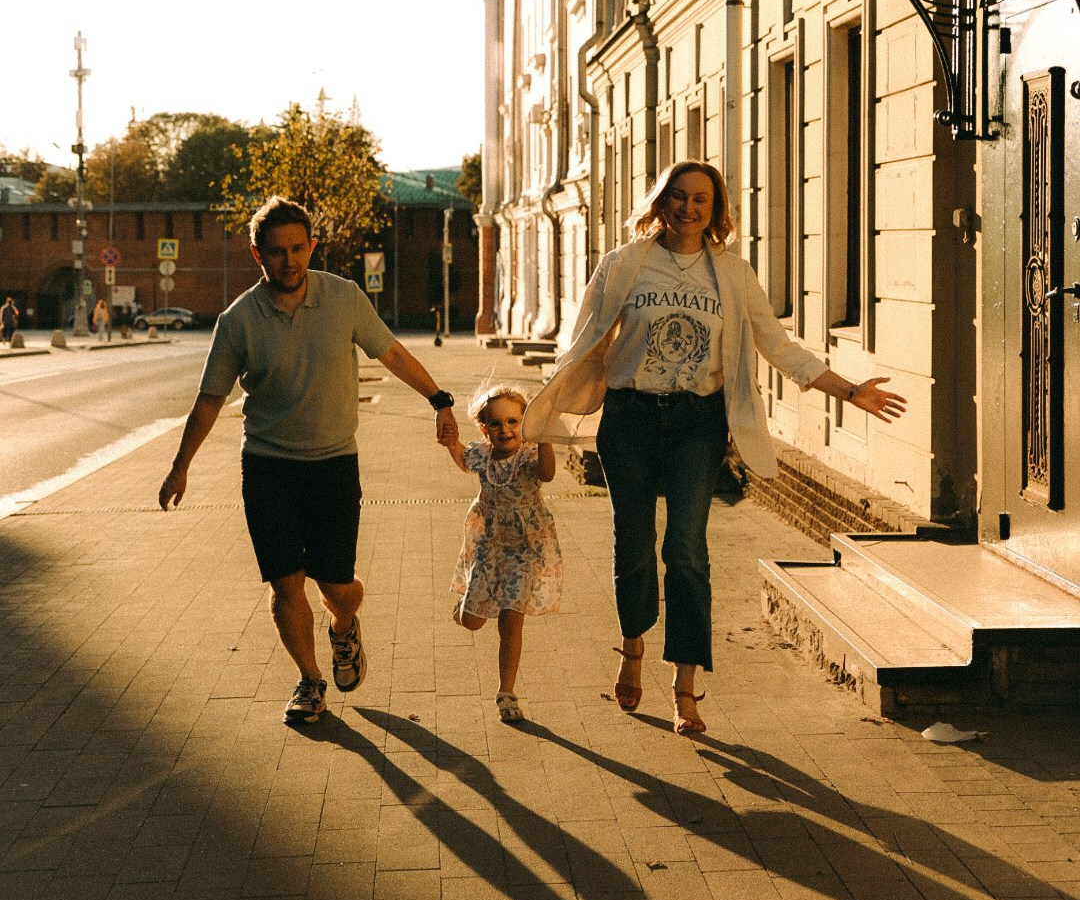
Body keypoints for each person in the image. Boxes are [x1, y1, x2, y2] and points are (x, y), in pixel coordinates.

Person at [522, 160, 907, 737]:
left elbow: (778, 345)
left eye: (701, 199)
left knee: (686, 549)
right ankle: (632, 649)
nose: (689, 208)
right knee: (632, 545)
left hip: (696, 425)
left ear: (716, 208)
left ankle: (683, 685)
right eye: (678, 197)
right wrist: (543, 412)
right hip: (629, 421)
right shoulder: (624, 264)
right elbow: (581, 343)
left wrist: (849, 390)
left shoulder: (731, 274)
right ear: (661, 201)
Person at [158, 195, 459, 727]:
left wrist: (439, 400)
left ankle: (344, 628)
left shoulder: (343, 298)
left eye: (298, 248)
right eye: (277, 252)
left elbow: (390, 352)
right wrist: (181, 465)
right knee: (285, 583)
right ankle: (310, 680)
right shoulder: (237, 322)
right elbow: (209, 399)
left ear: (311, 247)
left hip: (334, 466)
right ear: (258, 255)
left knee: (337, 588)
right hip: (268, 468)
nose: (289, 260)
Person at [441, 385, 560, 723]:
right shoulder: (483, 454)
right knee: (472, 621)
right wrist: (450, 441)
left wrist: (546, 435)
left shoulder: (531, 455)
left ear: (525, 424)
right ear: (484, 429)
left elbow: (548, 474)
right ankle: (464, 608)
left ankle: (506, 693)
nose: (505, 430)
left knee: (510, 622)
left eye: (513, 421)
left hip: (525, 549)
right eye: (496, 424)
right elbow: (463, 459)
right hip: (489, 546)